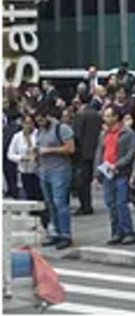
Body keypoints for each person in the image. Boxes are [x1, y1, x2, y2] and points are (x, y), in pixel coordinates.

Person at [35, 104, 76, 250]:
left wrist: (49, 150)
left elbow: (70, 148)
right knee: (50, 204)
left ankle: (65, 234)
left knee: (60, 203)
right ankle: (55, 233)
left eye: (41, 120)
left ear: (48, 117)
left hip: (59, 170)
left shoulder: (61, 129)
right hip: (44, 170)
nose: (39, 123)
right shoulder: (40, 131)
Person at [95, 107, 135, 245]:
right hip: (107, 171)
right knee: (111, 204)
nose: (105, 119)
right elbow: (100, 152)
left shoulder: (127, 133)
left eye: (108, 116)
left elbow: (131, 153)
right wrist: (97, 172)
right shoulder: (103, 134)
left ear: (115, 117)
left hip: (120, 172)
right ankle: (116, 232)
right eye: (105, 116)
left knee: (121, 203)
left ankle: (128, 232)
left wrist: (118, 165)